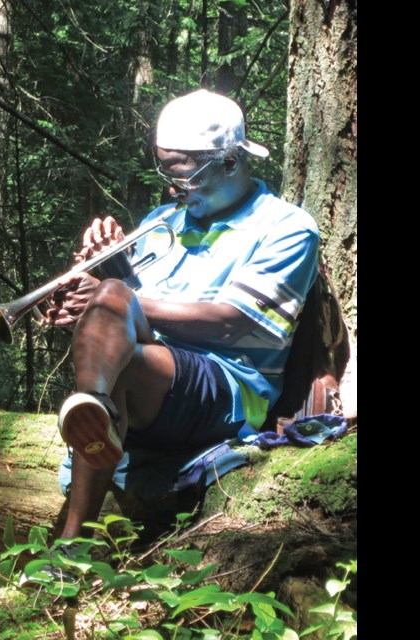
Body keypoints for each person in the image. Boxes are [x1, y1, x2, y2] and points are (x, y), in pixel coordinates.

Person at [44, 89, 320, 541]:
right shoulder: (164, 220)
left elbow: (234, 321)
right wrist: (101, 282)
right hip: (157, 376)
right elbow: (136, 318)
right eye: (166, 174)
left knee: (117, 325)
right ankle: (96, 411)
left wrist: (114, 295)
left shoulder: (287, 227)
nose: (173, 190)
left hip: (232, 387)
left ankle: (74, 532)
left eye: (185, 178)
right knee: (118, 333)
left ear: (231, 162)